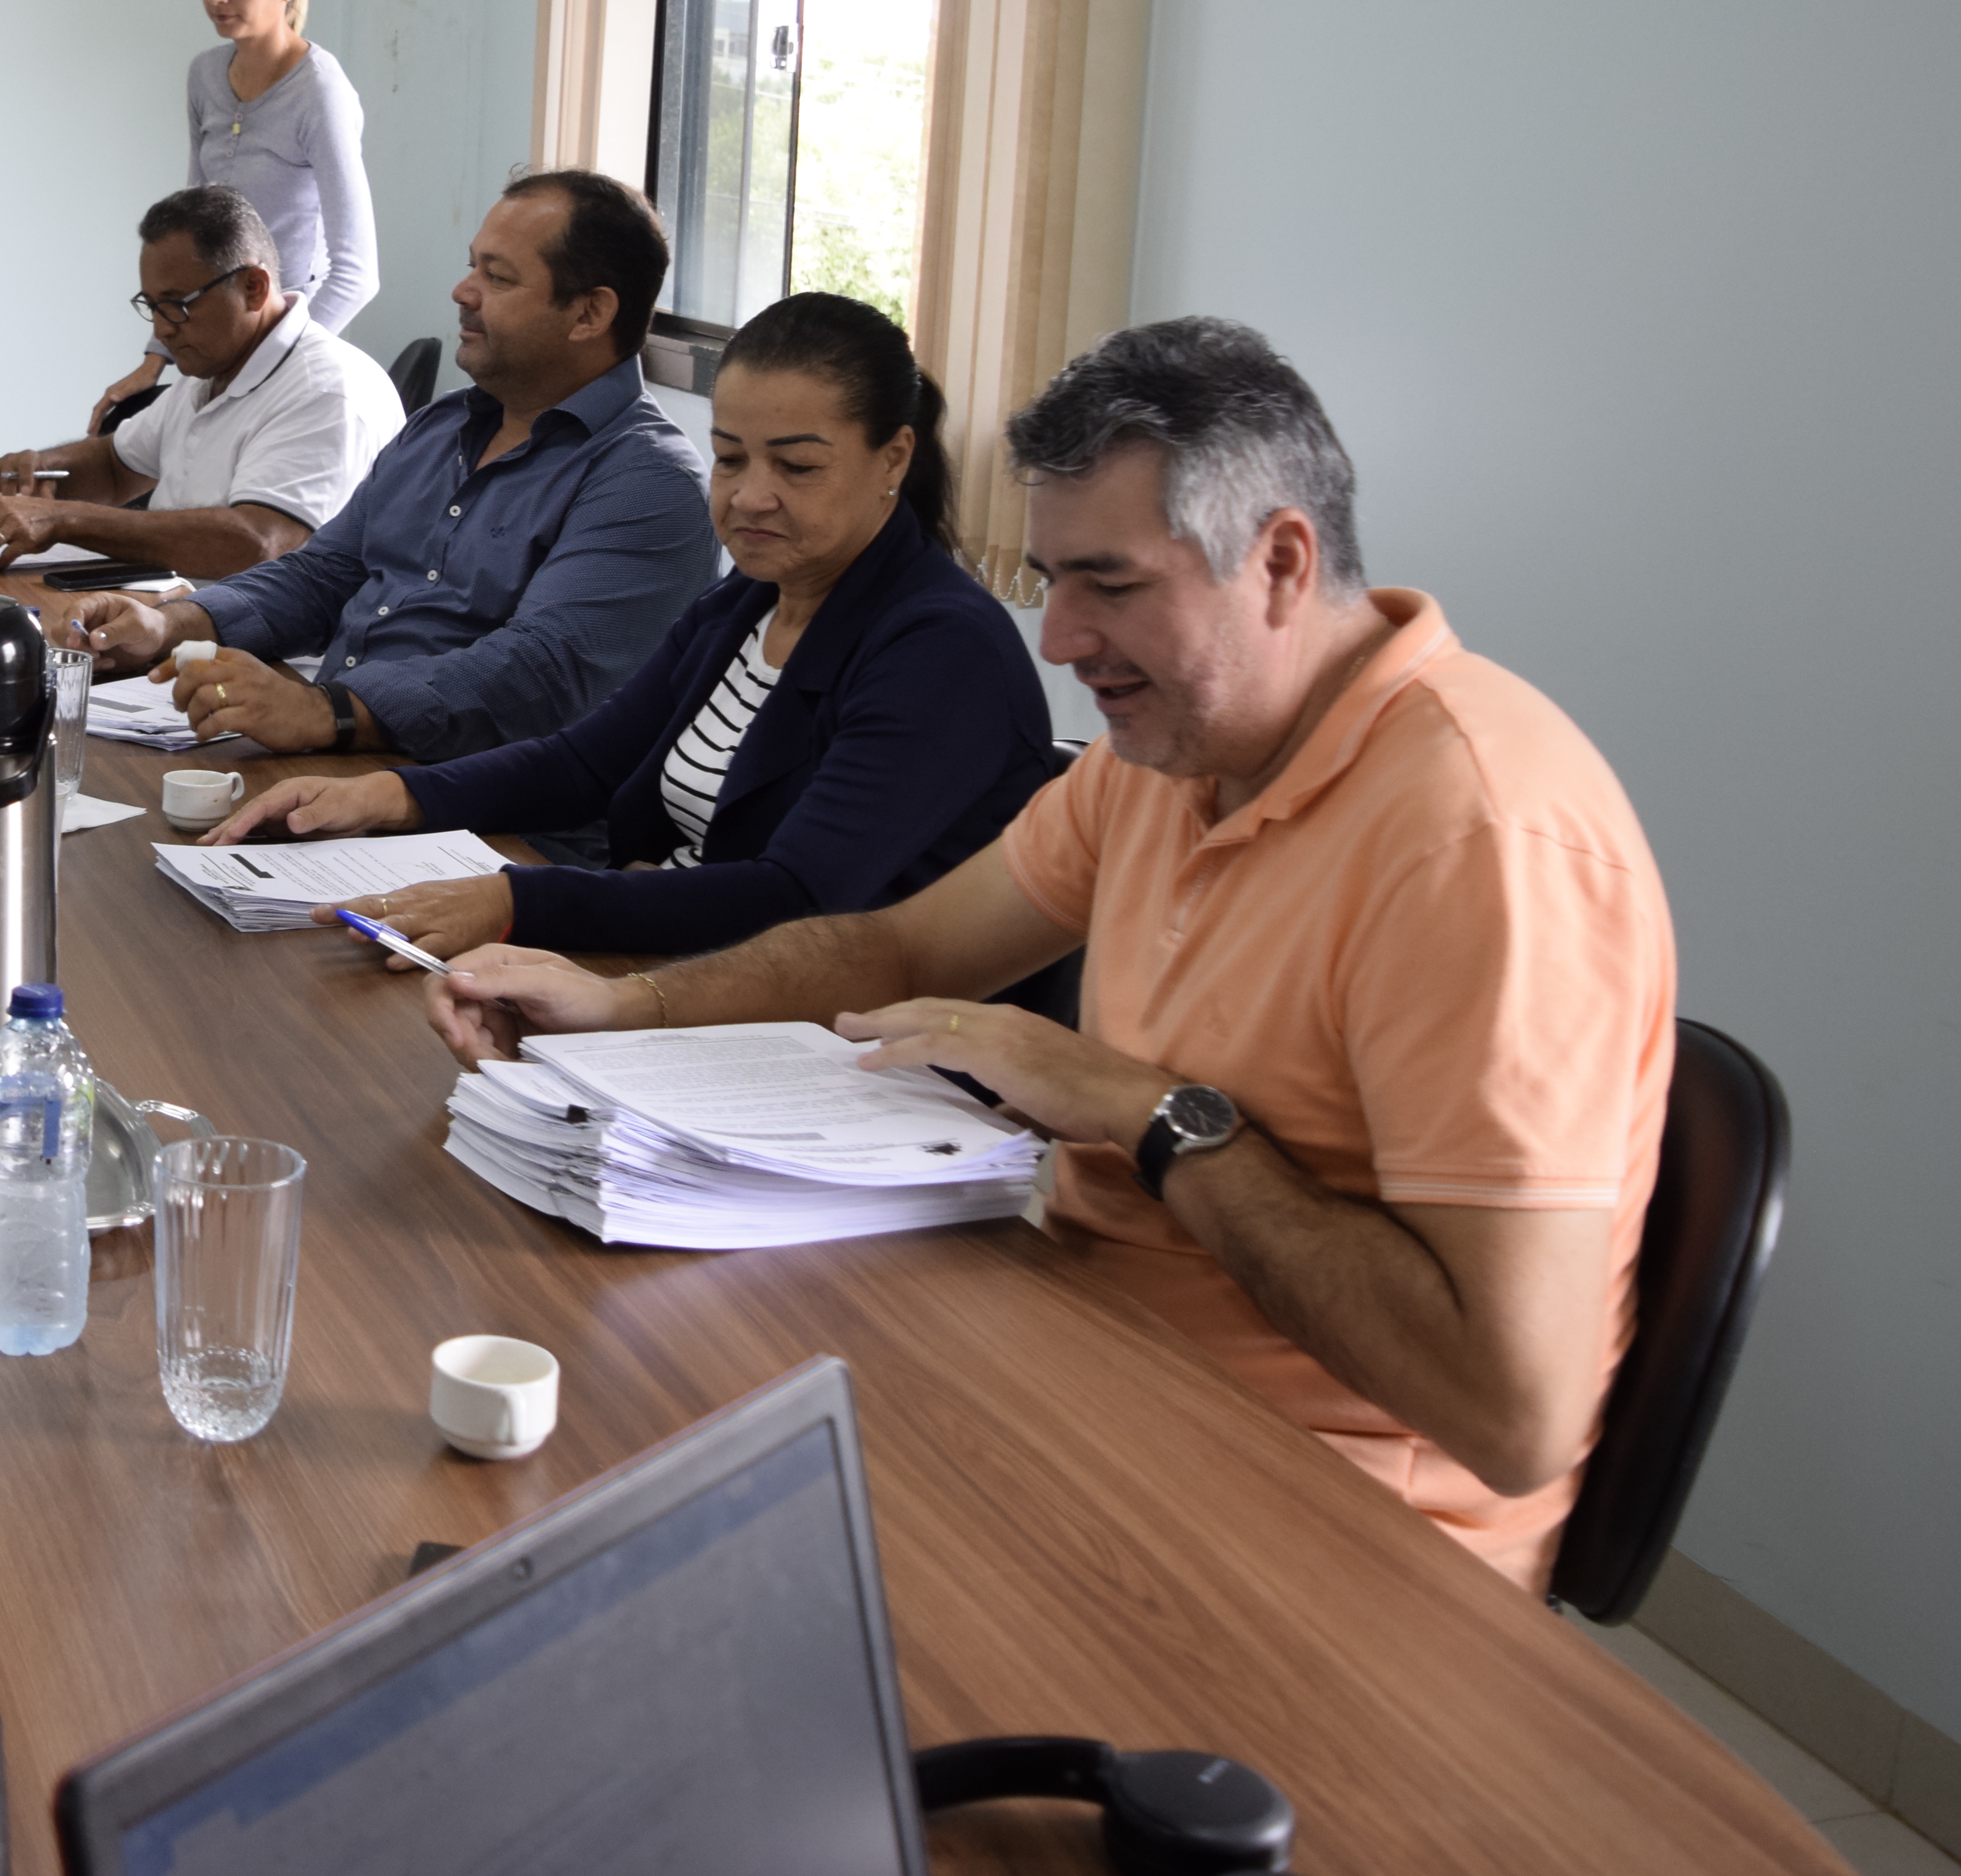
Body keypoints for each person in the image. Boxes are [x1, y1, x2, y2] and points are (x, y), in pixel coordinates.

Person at [424, 318, 1673, 1594]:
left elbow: (1513, 1416)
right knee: (617, 1468)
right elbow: (902, 940)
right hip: (1077, 1365)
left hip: (1323, 1520)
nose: (1062, 637)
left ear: (1282, 562)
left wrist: (1150, 1114)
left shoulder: (1478, 839)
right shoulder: (1176, 751)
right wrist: (626, 1005)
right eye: (1052, 578)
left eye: (1111, 585)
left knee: (685, 1580)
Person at [205, 293, 1056, 959]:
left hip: (826, 1040)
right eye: (729, 458)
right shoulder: (748, 602)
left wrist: (518, 901)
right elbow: (586, 762)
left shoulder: (940, 649)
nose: (750, 495)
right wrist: (386, 797)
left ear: (894, 460)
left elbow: (797, 898)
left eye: (796, 465)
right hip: (670, 964)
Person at [63, 171, 710, 763]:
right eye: (471, 267)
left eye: (499, 277)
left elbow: (537, 673)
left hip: (486, 820)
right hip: (347, 759)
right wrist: (171, 623)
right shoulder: (440, 428)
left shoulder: (649, 483)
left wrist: (331, 711)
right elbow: (321, 576)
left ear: (590, 313)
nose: (463, 292)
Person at [0, 186, 403, 580]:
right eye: (153, 306)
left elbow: (258, 546)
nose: (162, 329)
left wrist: (63, 519)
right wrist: (40, 474)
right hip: (172, 617)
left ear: (254, 287)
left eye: (177, 305)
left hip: (267, 658)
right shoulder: (211, 370)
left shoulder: (327, 389)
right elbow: (115, 467)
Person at [84, 0, 377, 433]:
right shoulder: (204, 76)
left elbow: (358, 274)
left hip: (283, 363)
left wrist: (280, 366)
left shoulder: (321, 93)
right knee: (117, 437)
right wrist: (156, 359)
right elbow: (188, 241)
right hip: (213, 348)